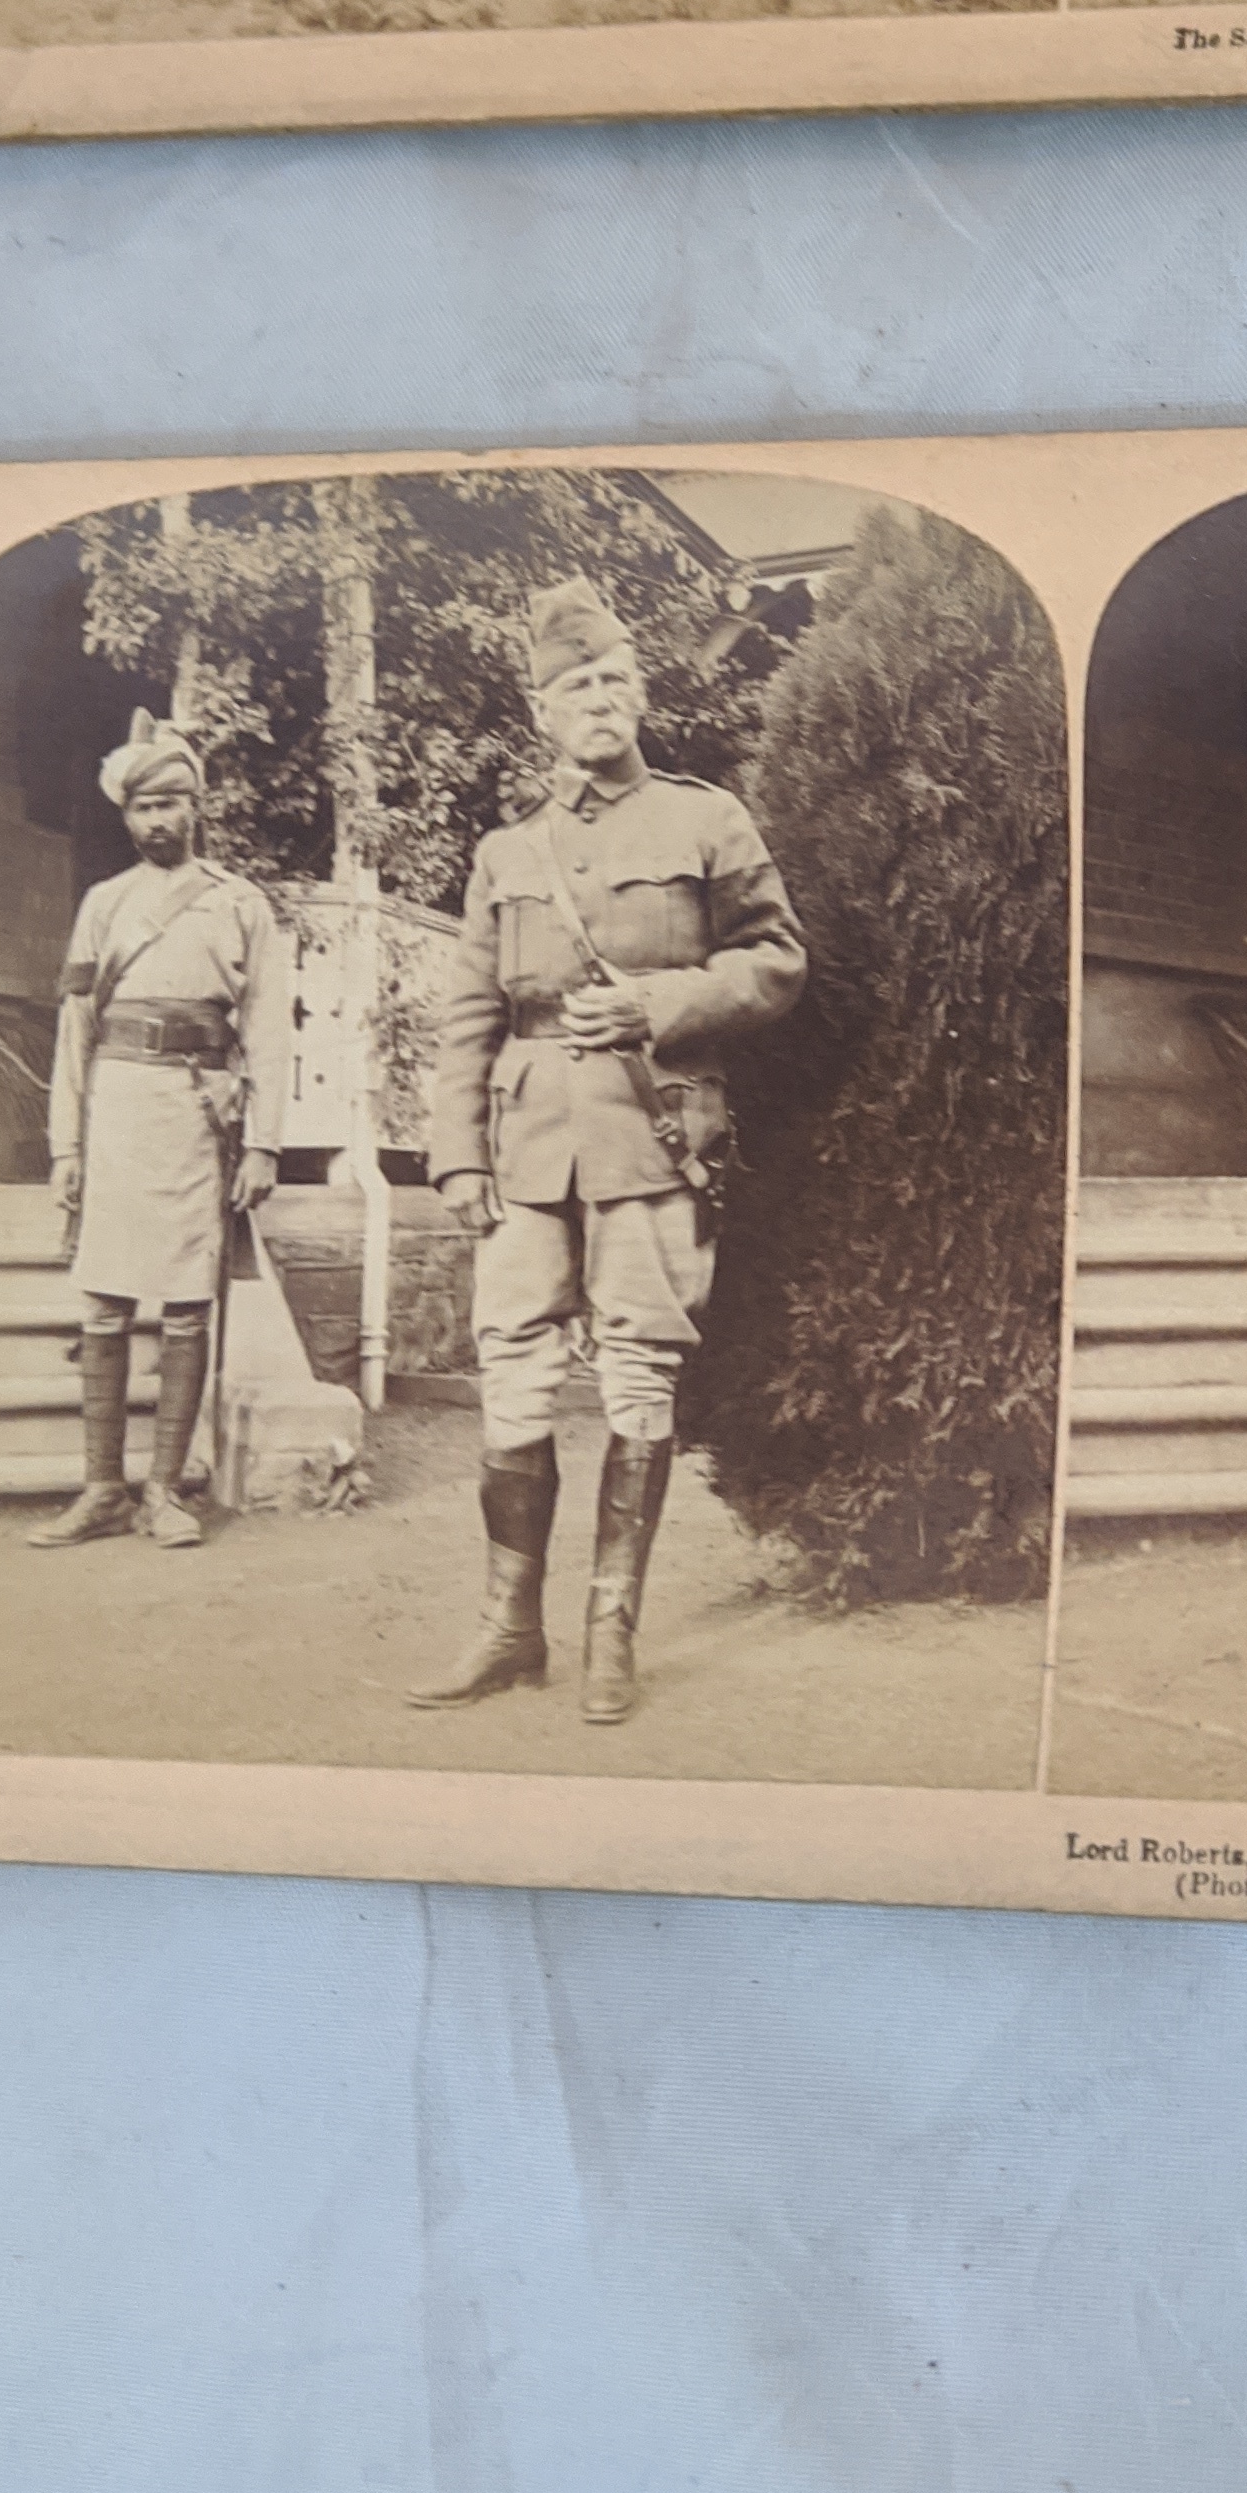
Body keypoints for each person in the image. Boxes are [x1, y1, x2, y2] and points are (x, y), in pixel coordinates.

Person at [419, 582, 806, 1726]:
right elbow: (467, 1017)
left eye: (615, 681)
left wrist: (658, 1002)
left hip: (654, 1131)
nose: (600, 700)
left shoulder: (704, 820)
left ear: (640, 695)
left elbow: (779, 963)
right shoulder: (506, 850)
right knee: (516, 1365)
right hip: (528, 1144)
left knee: (639, 1366)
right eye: (576, 686)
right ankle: (508, 1632)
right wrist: (455, 1157)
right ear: (544, 712)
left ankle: (609, 1637)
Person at [31, 716, 290, 1555]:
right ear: (127, 814)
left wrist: (263, 1145)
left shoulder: (240, 904)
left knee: (185, 1308)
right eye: (142, 806)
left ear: (196, 805)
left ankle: (165, 1492)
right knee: (104, 1302)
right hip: (115, 1113)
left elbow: (270, 1032)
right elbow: (75, 1032)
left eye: (171, 802)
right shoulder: (103, 905)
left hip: (193, 1116)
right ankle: (102, 1488)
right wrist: (65, 1147)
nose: (157, 821)